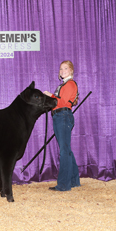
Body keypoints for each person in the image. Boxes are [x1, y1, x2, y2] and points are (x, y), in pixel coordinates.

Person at [43, 60, 80, 191]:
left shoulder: (70, 84)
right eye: (60, 69)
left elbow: (61, 102)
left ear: (71, 70)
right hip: (61, 116)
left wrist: (50, 96)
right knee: (66, 149)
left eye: (65, 68)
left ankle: (64, 184)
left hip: (62, 116)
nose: (62, 71)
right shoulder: (65, 84)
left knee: (64, 151)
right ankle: (74, 180)